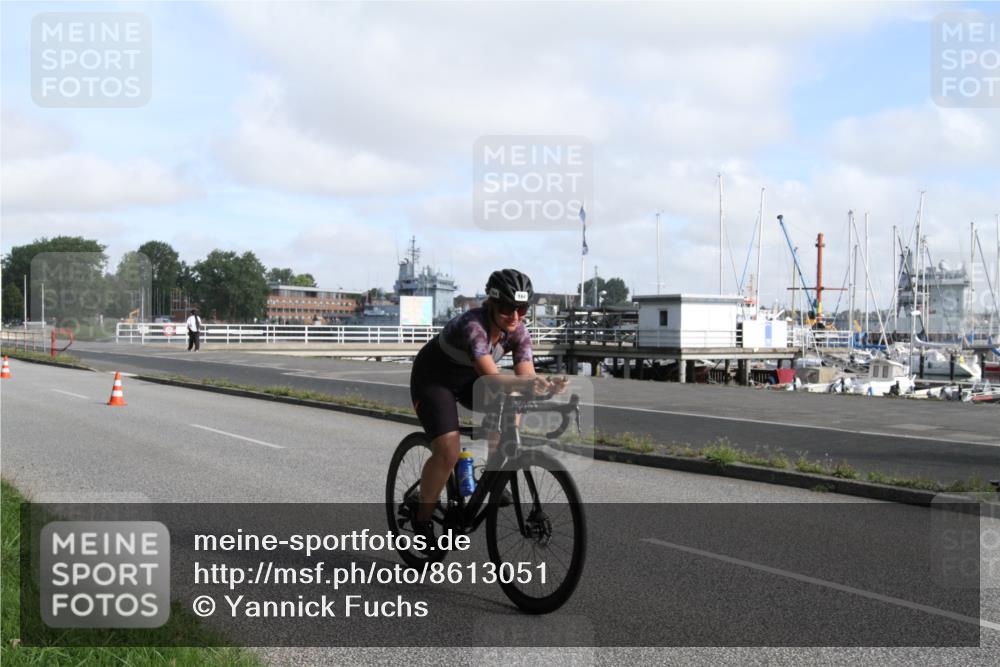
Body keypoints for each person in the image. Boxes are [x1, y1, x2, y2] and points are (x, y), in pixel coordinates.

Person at [408, 269, 566, 543]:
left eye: (522, 308)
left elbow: (525, 377)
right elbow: (493, 379)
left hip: (471, 380)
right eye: (507, 308)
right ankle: (421, 517)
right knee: (448, 451)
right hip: (434, 381)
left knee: (514, 398)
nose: (515, 316)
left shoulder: (519, 332)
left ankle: (493, 476)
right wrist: (527, 385)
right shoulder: (473, 327)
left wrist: (544, 384)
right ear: (491, 303)